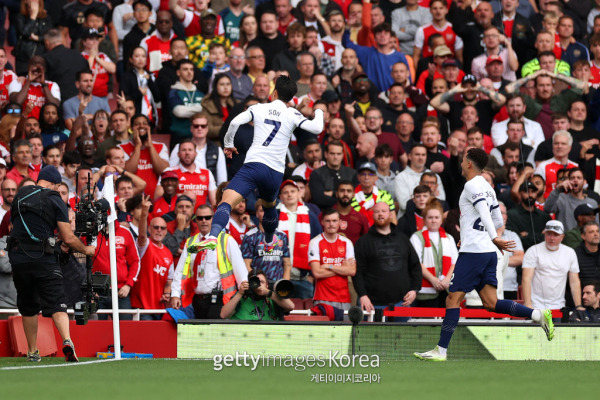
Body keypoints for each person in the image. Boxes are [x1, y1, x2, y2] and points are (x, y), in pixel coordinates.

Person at [414, 148, 555, 362]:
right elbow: (498, 221)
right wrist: (478, 235)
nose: (461, 164)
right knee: (491, 302)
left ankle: (441, 351)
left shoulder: (471, 185)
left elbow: (483, 212)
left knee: (452, 299)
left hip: (474, 254)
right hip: (486, 252)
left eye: (463, 161)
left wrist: (491, 237)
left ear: (469, 164)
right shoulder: (489, 188)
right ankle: (538, 314)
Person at [196, 75, 324, 253]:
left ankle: (212, 237)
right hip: (275, 173)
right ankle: (270, 239)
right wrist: (319, 111)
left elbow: (234, 122)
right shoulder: (292, 113)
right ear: (291, 98)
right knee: (269, 205)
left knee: (226, 201)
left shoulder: (259, 108)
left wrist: (228, 144)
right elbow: (317, 128)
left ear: (274, 93)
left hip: (254, 166)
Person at [8, 165, 95, 362]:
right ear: (55, 185)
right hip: (44, 259)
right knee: (57, 304)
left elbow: (16, 225)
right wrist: (87, 250)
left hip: (19, 259)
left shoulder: (21, 194)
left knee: (28, 306)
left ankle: (32, 351)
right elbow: (69, 238)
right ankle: (67, 340)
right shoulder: (54, 198)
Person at [170, 205, 248, 318]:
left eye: (208, 217)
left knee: (213, 333)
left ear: (214, 219)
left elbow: (240, 269)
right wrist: (175, 295)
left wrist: (244, 293)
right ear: (195, 220)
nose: (204, 221)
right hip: (197, 300)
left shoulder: (226, 240)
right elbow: (180, 271)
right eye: (200, 218)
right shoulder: (191, 242)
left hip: (220, 299)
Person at [354, 201, 422, 321]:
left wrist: (414, 289)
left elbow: (415, 265)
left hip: (402, 303)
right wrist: (363, 295)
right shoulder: (363, 242)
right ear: (372, 215)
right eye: (377, 212)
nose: (380, 214)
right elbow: (357, 272)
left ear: (391, 214)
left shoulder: (403, 239)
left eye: (384, 211)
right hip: (372, 305)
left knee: (403, 338)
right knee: (372, 338)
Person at [522, 220, 584, 313]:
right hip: (536, 306)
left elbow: (574, 281)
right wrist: (528, 305)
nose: (551, 238)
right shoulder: (533, 250)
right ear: (544, 234)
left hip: (559, 306)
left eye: (556, 235)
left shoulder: (570, 252)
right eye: (549, 234)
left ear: (562, 237)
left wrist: (578, 306)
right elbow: (526, 279)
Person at [130, 195, 174, 320]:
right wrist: (144, 212)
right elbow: (142, 235)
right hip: (141, 308)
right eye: (156, 227)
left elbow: (169, 280)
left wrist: (167, 293)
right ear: (150, 228)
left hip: (159, 308)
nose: (159, 230)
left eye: (162, 228)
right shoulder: (145, 244)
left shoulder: (168, 254)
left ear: (166, 231)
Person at [410, 198, 457, 308]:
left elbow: (455, 262)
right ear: (424, 220)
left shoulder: (449, 238)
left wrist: (447, 279)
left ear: (441, 220)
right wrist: (433, 280)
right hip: (426, 291)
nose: (434, 220)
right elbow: (417, 262)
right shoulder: (417, 237)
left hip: (446, 289)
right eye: (430, 217)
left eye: (437, 217)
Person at [309, 208, 356, 311]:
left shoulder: (347, 242)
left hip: (344, 298)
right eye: (328, 221)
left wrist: (329, 266)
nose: (331, 224)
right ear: (322, 222)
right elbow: (317, 273)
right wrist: (342, 268)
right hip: (322, 297)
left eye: (334, 221)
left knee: (345, 327)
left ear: (340, 222)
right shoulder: (315, 242)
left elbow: (352, 271)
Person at [241, 199, 291, 282]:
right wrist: (258, 282)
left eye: (269, 211)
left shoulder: (282, 236)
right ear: (257, 214)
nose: (266, 213)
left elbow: (287, 264)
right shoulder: (250, 236)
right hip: (258, 285)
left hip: (278, 284)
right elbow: (246, 264)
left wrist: (284, 284)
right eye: (262, 210)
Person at [220, 268, 294, 320]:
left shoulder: (273, 297)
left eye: (261, 282)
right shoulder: (242, 296)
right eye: (255, 282)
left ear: (267, 285)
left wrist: (268, 293)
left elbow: (291, 306)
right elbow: (223, 315)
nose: (258, 284)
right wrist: (240, 293)